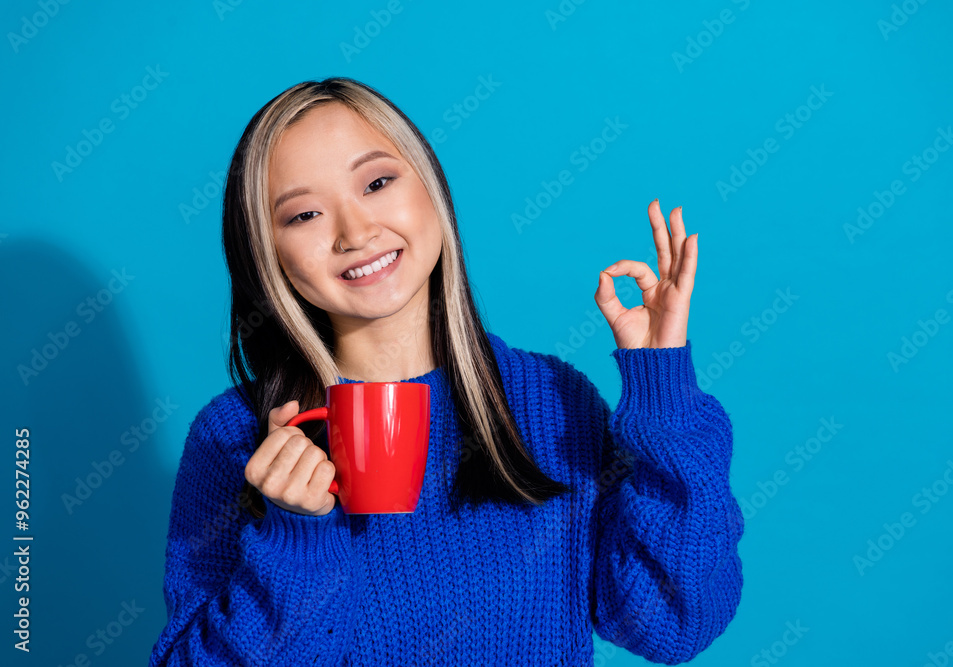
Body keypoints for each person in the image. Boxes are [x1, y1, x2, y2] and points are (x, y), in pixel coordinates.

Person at [148, 76, 744, 666]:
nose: (356, 233)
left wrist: (663, 393)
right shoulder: (236, 438)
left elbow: (671, 624)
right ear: (266, 252)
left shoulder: (553, 400)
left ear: (430, 187)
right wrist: (294, 538)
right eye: (304, 215)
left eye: (377, 183)